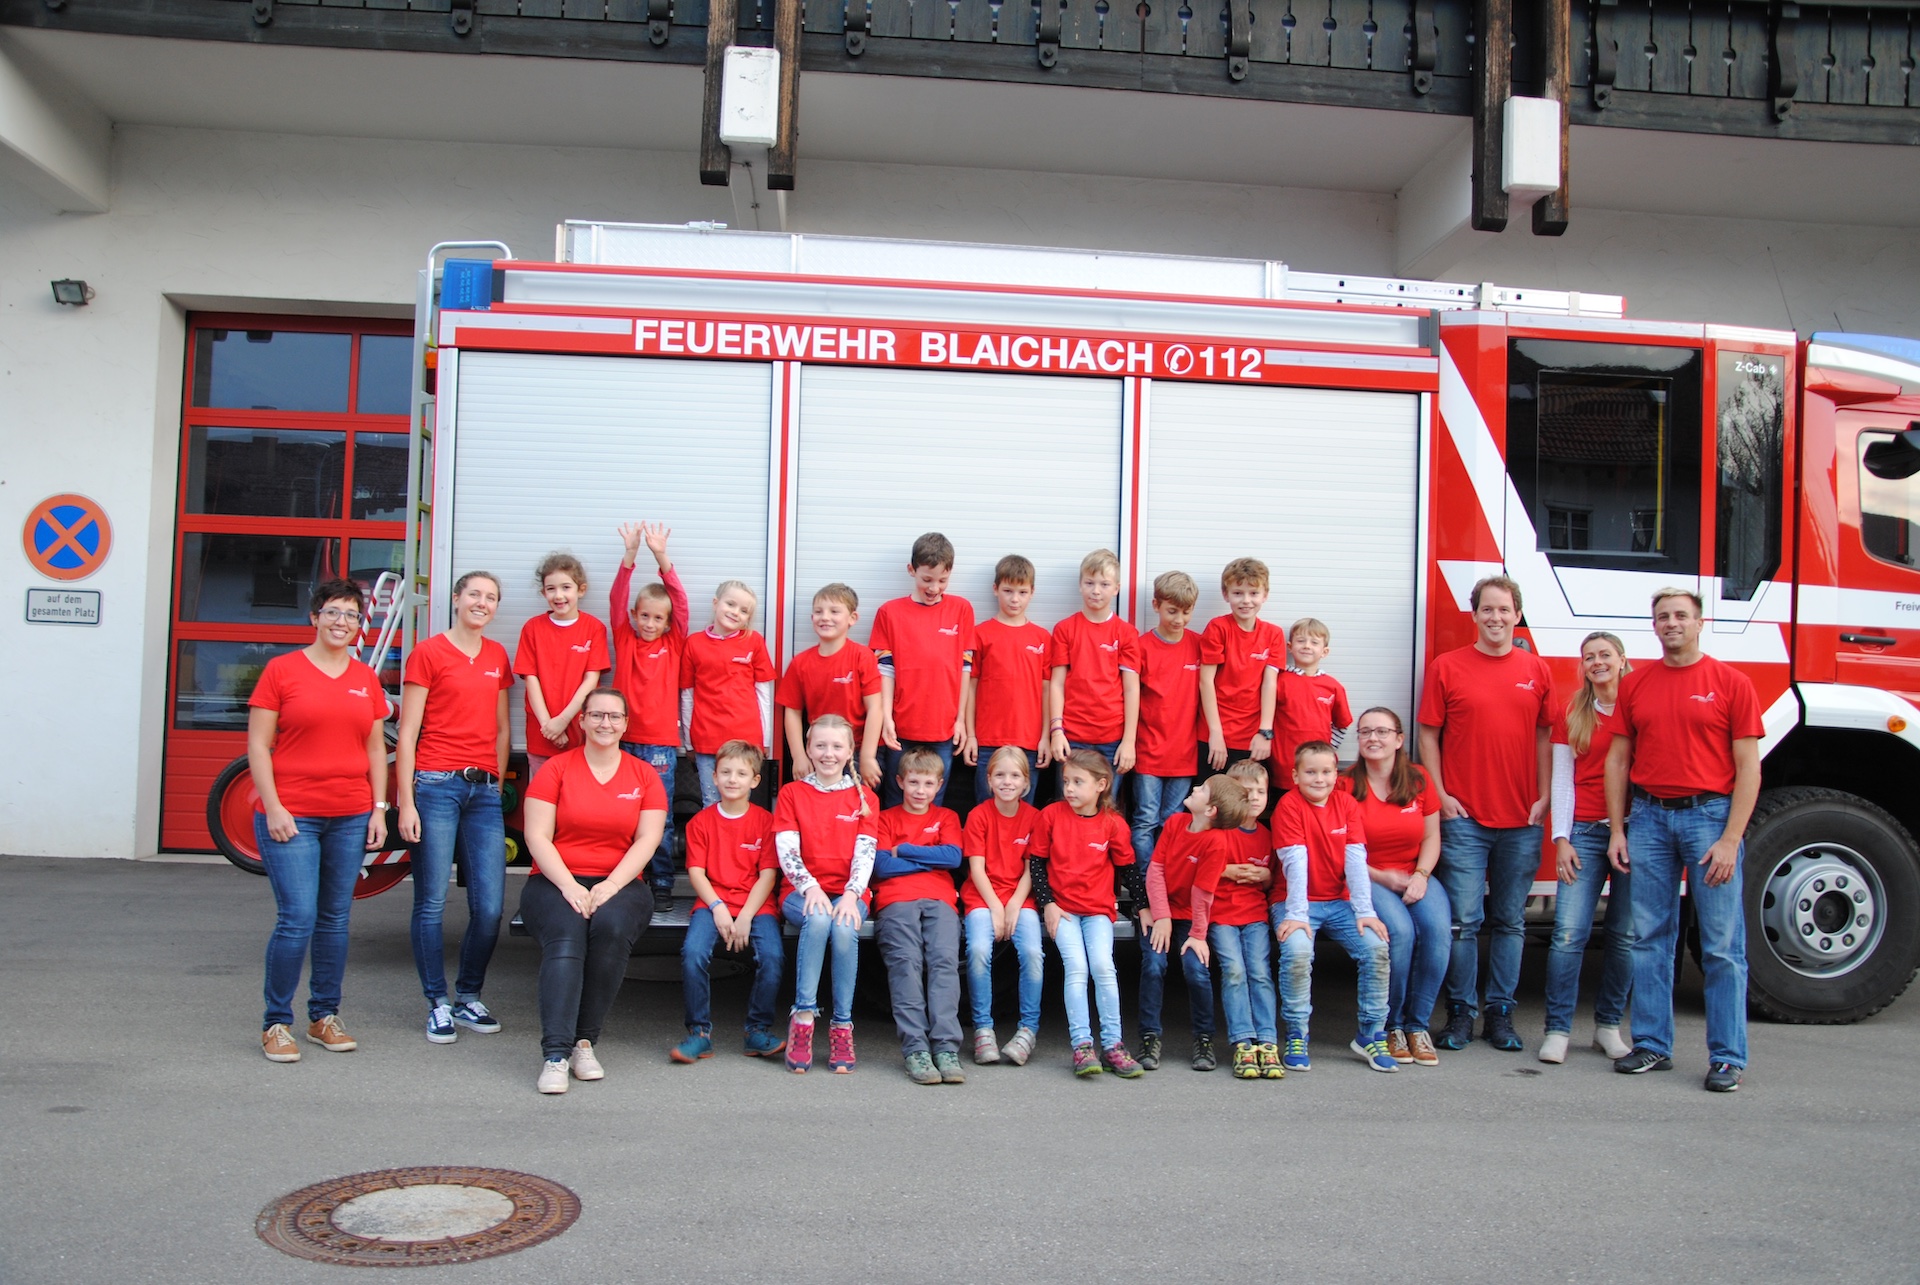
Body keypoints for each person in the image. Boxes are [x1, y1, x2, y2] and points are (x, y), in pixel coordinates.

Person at [1606, 589, 1763, 1093]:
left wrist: (1730, 838)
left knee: (1720, 946)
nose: (1671, 624)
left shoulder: (1731, 683)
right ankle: (1652, 1044)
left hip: (1709, 819)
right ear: (1653, 626)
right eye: (1662, 617)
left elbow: (1748, 768)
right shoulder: (1636, 685)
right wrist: (1617, 828)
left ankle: (1727, 1057)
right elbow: (1617, 760)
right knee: (1650, 938)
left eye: (1680, 616)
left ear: (1700, 622)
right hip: (1649, 818)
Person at [246, 577, 389, 1063]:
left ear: (358, 626)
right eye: (333, 612)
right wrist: (276, 807)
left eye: (351, 615)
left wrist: (379, 809)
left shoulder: (365, 679)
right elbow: (258, 747)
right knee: (298, 919)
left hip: (349, 814)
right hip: (293, 817)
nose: (341, 622)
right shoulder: (282, 671)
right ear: (314, 617)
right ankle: (276, 1023)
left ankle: (323, 1016)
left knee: (334, 920)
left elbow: (375, 748)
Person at [1416, 573, 1553, 1053]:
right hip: (1465, 819)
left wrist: (1545, 795)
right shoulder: (1446, 667)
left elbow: (1544, 735)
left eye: (1504, 609)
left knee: (1511, 921)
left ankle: (1500, 1014)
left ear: (1517, 615)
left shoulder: (1536, 669)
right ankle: (1460, 1014)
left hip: (1522, 818)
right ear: (1474, 615)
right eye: (1487, 609)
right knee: (1464, 921)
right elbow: (1428, 734)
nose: (1496, 617)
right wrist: (1440, 794)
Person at [519, 688, 667, 1094]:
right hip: (552, 880)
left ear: (625, 724)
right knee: (567, 936)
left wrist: (611, 886)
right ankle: (554, 1055)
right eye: (597, 715)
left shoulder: (643, 775)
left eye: (614, 717)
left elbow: (647, 840)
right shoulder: (555, 769)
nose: (606, 724)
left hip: (621, 881)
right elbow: (537, 835)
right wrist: (568, 885)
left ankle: (584, 1042)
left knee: (611, 930)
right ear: (581, 721)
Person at [396, 570, 513, 1046]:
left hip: (483, 793)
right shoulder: (429, 653)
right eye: (474, 595)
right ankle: (437, 1004)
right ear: (456, 598)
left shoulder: (496, 655)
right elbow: (407, 733)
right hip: (436, 787)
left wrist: (496, 781)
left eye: (490, 598)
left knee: (489, 907)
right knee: (432, 902)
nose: (482, 603)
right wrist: (406, 801)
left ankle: (468, 996)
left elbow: (503, 729)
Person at [1272, 741, 1396, 1073]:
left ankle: (1370, 1034)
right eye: (1310, 772)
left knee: (1376, 948)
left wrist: (1365, 910)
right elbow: (1295, 863)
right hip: (1295, 902)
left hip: (1339, 902)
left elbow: (1356, 859)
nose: (1319, 779)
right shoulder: (1288, 806)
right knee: (1297, 953)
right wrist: (1296, 915)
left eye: (1326, 772)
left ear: (1336, 773)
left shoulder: (1346, 804)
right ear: (1295, 775)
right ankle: (1297, 1034)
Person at [1542, 633, 1636, 1065]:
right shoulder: (1573, 713)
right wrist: (1562, 839)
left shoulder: (1638, 709)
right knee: (1567, 935)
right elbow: (1562, 780)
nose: (1597, 663)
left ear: (1622, 661)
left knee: (1624, 937)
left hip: (1637, 833)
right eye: (1588, 658)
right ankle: (1558, 1030)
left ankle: (1608, 1027)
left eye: (1605, 655)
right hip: (1584, 831)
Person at [1030, 749, 1149, 1078]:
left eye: (1078, 782)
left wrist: (1143, 906)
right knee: (1077, 969)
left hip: (1097, 910)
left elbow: (1128, 868)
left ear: (1101, 785)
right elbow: (1037, 864)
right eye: (1066, 781)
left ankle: (1113, 1046)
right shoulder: (1051, 815)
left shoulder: (1113, 823)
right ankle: (1083, 1046)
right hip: (1064, 911)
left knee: (1103, 967)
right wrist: (1048, 904)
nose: (1069, 788)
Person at [773, 714, 880, 1074]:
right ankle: (803, 1017)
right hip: (801, 890)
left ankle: (842, 1025)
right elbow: (787, 851)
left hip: (848, 892)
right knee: (818, 919)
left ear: (850, 750)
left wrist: (851, 895)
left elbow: (866, 853)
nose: (828, 753)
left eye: (837, 746)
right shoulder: (793, 793)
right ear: (808, 748)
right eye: (820, 745)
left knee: (845, 927)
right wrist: (811, 887)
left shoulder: (864, 797)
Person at [1346, 707, 1449, 1067]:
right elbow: (1340, 850)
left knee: (1438, 932)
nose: (1373, 738)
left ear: (1399, 739)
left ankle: (1417, 1025)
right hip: (1367, 876)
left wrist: (1421, 875)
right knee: (1400, 933)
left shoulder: (1418, 779)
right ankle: (1391, 1025)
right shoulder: (1346, 785)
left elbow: (1433, 836)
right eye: (1365, 732)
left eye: (1382, 731)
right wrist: (1382, 876)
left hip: (1414, 872)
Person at [675, 740, 784, 1063]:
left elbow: (767, 875)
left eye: (741, 773)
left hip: (756, 904)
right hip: (713, 902)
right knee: (693, 953)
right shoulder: (701, 822)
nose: (732, 779)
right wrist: (718, 908)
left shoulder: (766, 822)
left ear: (755, 780)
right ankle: (699, 1033)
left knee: (773, 957)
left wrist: (747, 916)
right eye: (725, 772)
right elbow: (696, 872)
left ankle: (757, 1030)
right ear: (714, 777)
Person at [871, 749, 968, 1084]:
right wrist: (931, 858)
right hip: (896, 900)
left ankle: (945, 1047)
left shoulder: (948, 818)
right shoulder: (884, 818)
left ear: (939, 786)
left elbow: (954, 857)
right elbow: (881, 865)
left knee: (943, 962)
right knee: (906, 962)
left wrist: (906, 850)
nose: (920, 790)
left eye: (928, 783)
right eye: (913, 782)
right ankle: (916, 1049)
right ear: (900, 782)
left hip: (940, 900)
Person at [1143, 776, 1250, 1075]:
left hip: (1192, 915)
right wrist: (1162, 916)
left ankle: (1204, 1038)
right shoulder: (1176, 823)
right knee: (1153, 965)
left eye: (1202, 790)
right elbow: (1156, 870)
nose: (1194, 789)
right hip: (1162, 908)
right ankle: (1149, 1036)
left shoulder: (1216, 843)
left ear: (1211, 810)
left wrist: (1198, 935)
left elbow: (1203, 893)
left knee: (1196, 971)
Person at [610, 521, 689, 907]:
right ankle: (629, 878)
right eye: (644, 616)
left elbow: (680, 599)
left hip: (660, 745)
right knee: (623, 812)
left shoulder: (674, 644)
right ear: (633, 615)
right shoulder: (624, 637)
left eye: (658, 619)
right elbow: (616, 596)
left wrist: (661, 556)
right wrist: (631, 555)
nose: (650, 624)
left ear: (669, 623)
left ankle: (661, 882)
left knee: (660, 814)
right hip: (621, 741)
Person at [871, 532, 975, 808]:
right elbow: (885, 670)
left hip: (943, 727)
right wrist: (886, 718)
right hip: (901, 725)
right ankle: (893, 851)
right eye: (927, 579)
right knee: (896, 798)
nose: (934, 588)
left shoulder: (961, 609)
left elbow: (965, 668)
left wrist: (961, 718)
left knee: (933, 800)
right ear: (912, 570)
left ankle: (926, 850)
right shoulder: (889, 612)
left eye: (942, 580)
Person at [961, 745, 1045, 1066]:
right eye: (1000, 775)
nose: (1007, 782)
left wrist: (1013, 905)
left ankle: (1028, 1030)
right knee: (980, 951)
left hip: (1019, 898)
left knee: (1033, 954)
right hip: (983, 897)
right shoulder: (979, 815)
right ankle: (983, 1029)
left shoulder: (1034, 818)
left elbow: (1030, 870)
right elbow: (977, 869)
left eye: (1014, 776)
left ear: (1026, 782)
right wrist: (997, 907)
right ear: (988, 779)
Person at [1046, 549, 1140, 796]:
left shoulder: (1126, 633)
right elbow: (1056, 684)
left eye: (1104, 584)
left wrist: (1129, 741)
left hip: (1112, 738)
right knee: (1068, 805)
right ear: (1080, 585)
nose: (1096, 590)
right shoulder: (1065, 629)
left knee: (1104, 808)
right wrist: (1056, 731)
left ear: (1116, 588)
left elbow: (1131, 688)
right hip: (1072, 736)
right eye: (1089, 583)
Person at [678, 578, 775, 808]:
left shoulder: (754, 641)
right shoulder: (694, 643)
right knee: (711, 803)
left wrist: (766, 739)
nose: (735, 613)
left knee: (739, 803)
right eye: (730, 604)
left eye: (744, 611)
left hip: (745, 740)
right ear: (715, 603)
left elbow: (764, 695)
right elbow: (687, 695)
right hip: (706, 739)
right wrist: (688, 742)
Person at [1210, 761, 1280, 1075]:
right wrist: (1226, 870)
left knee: (1260, 972)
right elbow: (1198, 874)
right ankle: (1242, 1042)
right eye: (1245, 791)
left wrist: (1265, 874)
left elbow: (1272, 881)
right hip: (1222, 915)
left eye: (1260, 791)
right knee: (1234, 970)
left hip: (1255, 916)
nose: (1253, 797)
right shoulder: (1218, 833)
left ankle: (1267, 1039)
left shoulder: (1267, 835)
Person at [963, 555, 1050, 805]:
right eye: (1008, 591)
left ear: (1032, 592)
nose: (1014, 599)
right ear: (995, 589)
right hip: (988, 740)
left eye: (1022, 592)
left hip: (1029, 741)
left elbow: (1047, 691)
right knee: (986, 811)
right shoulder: (980, 634)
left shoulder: (1042, 638)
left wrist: (1046, 736)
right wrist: (971, 735)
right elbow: (971, 687)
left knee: (1023, 814)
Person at [513, 552, 609, 779]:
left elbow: (591, 680)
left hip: (580, 734)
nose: (559, 595)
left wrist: (563, 721)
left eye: (566, 587)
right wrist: (550, 727)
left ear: (581, 590)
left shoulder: (594, 628)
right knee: (542, 800)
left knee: (576, 801)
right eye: (551, 589)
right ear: (543, 592)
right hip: (541, 734)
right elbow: (531, 679)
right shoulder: (532, 628)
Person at [1130, 570, 1203, 868]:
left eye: (1186, 612)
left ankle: (1166, 879)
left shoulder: (1199, 644)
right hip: (1148, 750)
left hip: (1184, 754)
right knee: (1145, 820)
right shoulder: (1141, 646)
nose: (1179, 619)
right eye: (1172, 611)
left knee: (1172, 821)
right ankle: (1145, 885)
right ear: (1156, 604)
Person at [778, 583, 883, 788]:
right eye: (818, 612)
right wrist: (799, 755)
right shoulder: (800, 663)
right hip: (820, 755)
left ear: (852, 618)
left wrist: (868, 757)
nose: (825, 617)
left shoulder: (862, 657)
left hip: (858, 751)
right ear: (812, 618)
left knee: (857, 808)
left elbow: (875, 708)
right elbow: (792, 713)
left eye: (834, 611)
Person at [1199, 557, 1282, 777]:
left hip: (1253, 737)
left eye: (1253, 593)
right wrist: (1215, 733)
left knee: (1247, 803)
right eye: (1238, 593)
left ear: (1265, 595)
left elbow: (1269, 684)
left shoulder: (1273, 634)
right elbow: (1205, 681)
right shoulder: (1218, 628)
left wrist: (1265, 732)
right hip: (1216, 734)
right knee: (1213, 801)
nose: (1246, 600)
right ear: (1226, 595)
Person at [1271, 618, 1352, 794]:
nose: (1307, 646)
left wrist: (1327, 749)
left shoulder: (1333, 686)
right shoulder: (1279, 681)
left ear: (1324, 651)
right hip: (1284, 768)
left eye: (1314, 642)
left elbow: (1342, 724)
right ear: (1290, 647)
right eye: (1301, 641)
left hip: (1319, 772)